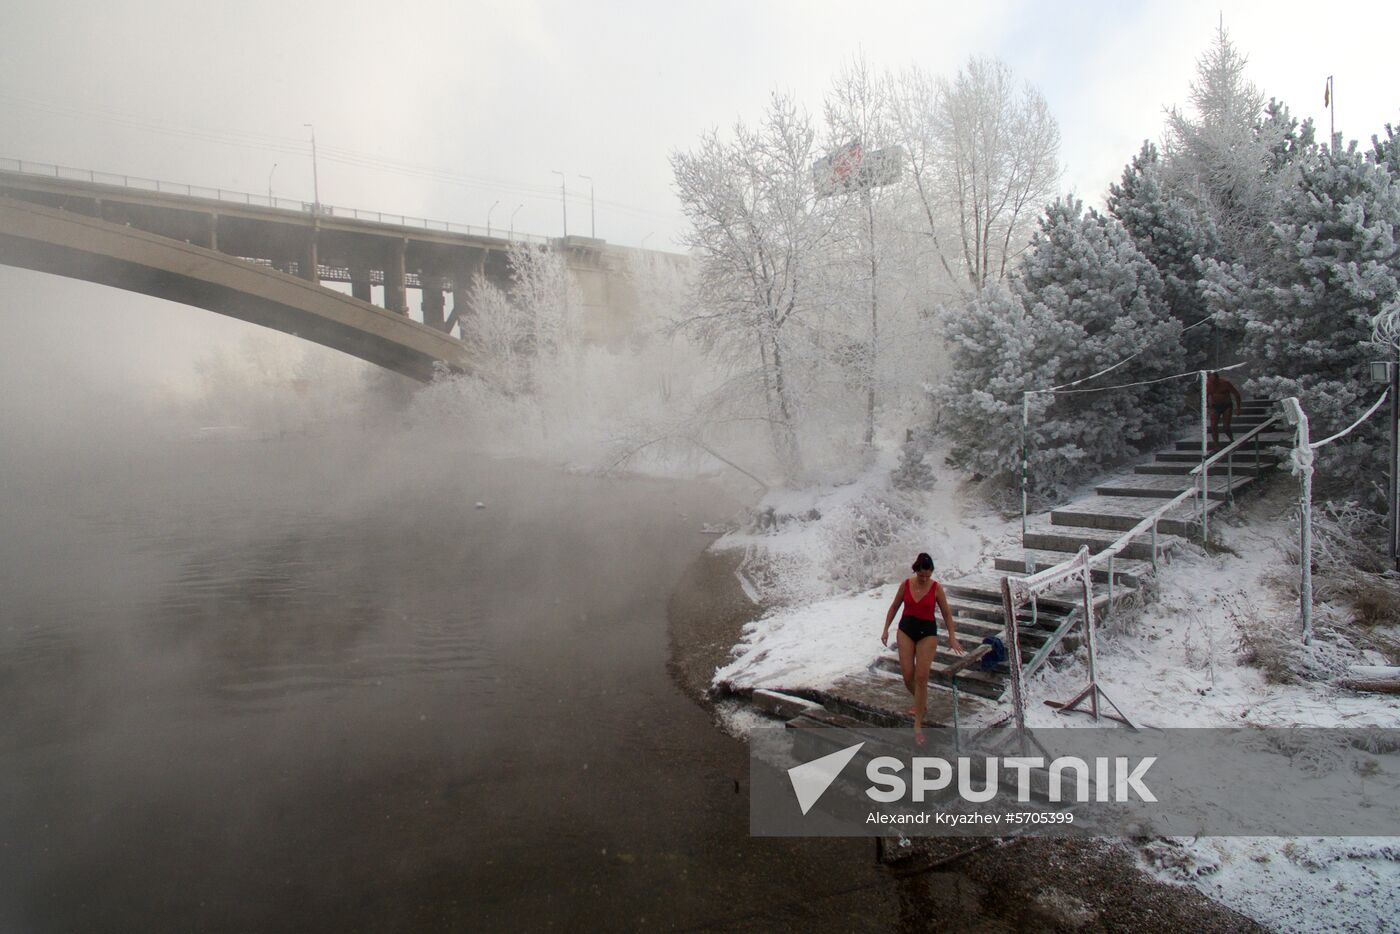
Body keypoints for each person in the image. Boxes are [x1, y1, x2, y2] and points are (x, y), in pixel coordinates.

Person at [880, 553, 964, 746]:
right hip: (906, 630)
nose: (924, 579)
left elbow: (947, 615)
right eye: (921, 576)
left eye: (927, 575)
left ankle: (918, 724)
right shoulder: (906, 584)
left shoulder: (937, 589)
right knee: (907, 676)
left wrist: (952, 637)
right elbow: (894, 607)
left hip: (927, 633)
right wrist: (885, 629)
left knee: (921, 677)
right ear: (916, 570)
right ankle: (921, 703)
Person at [1206, 371, 1243, 446]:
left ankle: (1232, 440)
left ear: (1217, 378)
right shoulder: (1208, 385)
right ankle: (1216, 446)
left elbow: (1237, 395)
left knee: (1226, 427)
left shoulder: (1225, 383)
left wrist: (1238, 408)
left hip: (1227, 406)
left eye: (1214, 380)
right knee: (1213, 426)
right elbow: (1206, 396)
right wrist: (1207, 406)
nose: (1212, 382)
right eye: (1210, 379)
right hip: (1215, 406)